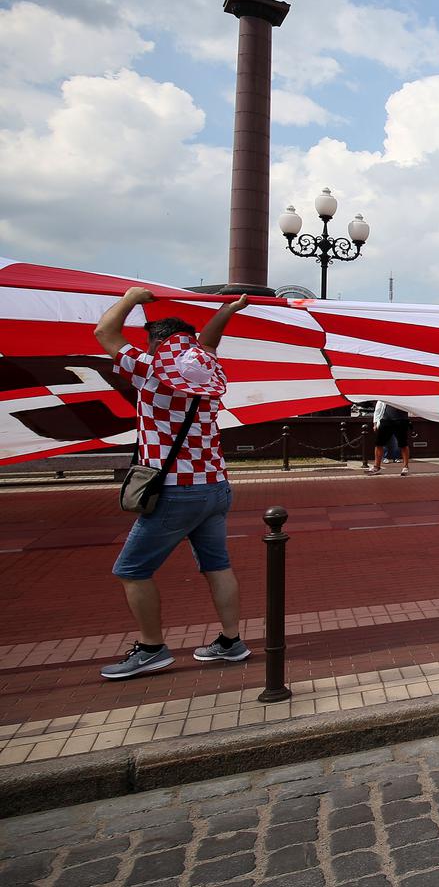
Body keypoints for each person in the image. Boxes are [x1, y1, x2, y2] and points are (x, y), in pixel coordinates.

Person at [93, 287, 252, 679]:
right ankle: (231, 641)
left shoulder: (149, 371)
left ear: (156, 344)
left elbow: (104, 334)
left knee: (131, 570)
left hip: (176, 491)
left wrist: (130, 298)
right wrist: (227, 309)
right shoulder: (206, 372)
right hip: (216, 485)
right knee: (218, 566)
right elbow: (209, 343)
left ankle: (152, 648)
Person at [369, 400, 413, 476]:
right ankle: (376, 466)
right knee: (379, 443)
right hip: (386, 420)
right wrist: (375, 423)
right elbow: (378, 407)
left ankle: (406, 467)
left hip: (401, 420)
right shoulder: (385, 393)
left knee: (403, 444)